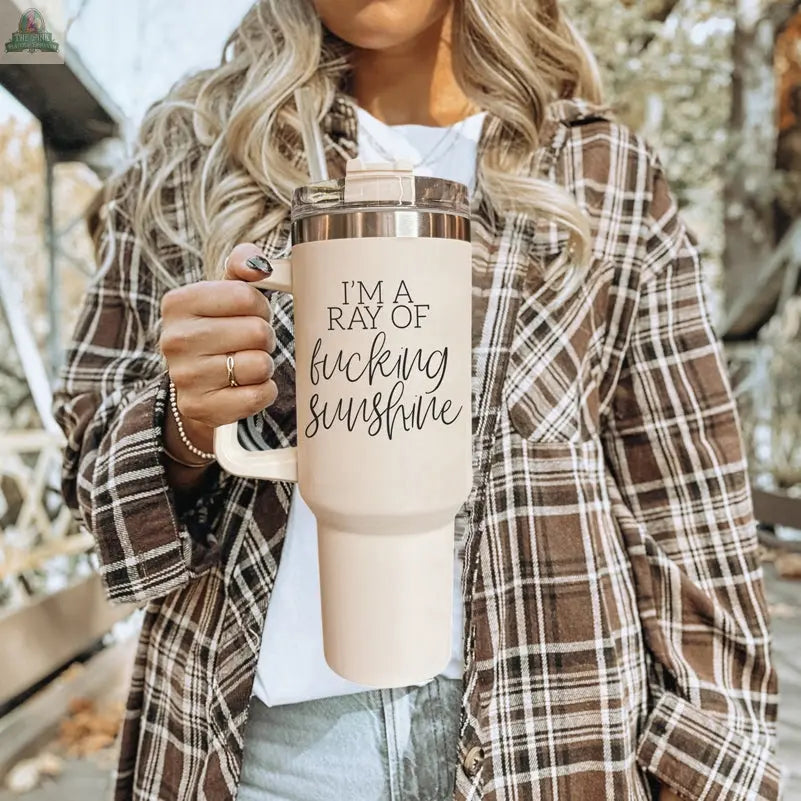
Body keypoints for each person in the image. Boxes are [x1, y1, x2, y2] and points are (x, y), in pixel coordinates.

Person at [53, 1, 781, 799]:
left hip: (556, 737)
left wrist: (710, 758)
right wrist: (185, 424)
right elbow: (91, 466)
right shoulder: (192, 148)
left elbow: (687, 501)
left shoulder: (600, 170)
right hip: (263, 753)